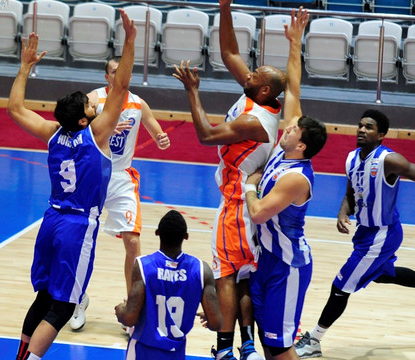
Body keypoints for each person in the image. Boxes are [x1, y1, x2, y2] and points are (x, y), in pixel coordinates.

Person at [7, 11, 136, 360]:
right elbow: (121, 87)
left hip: (50, 221)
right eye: (90, 105)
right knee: (63, 307)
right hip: (78, 226)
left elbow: (15, 108)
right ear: (82, 119)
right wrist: (130, 41)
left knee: (45, 297)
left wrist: (24, 67)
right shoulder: (96, 134)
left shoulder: (52, 133)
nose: (96, 104)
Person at [294, 109, 415, 359]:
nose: (362, 130)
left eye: (369, 127)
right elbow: (352, 193)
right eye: (360, 125)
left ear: (381, 134)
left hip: (382, 235)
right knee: (384, 275)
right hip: (365, 233)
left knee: (340, 287)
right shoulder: (351, 158)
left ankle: (314, 342)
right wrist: (343, 213)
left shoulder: (389, 160)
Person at [173, 1, 286, 358]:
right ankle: (248, 345)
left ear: (264, 90)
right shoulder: (261, 96)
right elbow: (228, 51)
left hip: (237, 200)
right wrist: (225, 8)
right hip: (241, 198)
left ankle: (225, 348)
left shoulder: (255, 121)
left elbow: (206, 135)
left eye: (255, 76)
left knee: (225, 273)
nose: (248, 75)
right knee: (242, 275)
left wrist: (192, 91)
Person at [243, 8, 327, 360]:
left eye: (292, 129)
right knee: (268, 340)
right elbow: (294, 86)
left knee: (280, 348)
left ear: (302, 144)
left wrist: (249, 183)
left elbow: (260, 213)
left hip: (288, 266)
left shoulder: (295, 177)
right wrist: (295, 42)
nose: (285, 126)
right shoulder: (285, 149)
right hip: (268, 259)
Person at [69, 56, 172, 332]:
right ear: (107, 77)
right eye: (114, 71)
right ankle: (77, 299)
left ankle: (131, 307)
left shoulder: (139, 104)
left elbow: (157, 132)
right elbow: (76, 129)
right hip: (92, 175)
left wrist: (162, 138)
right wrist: (105, 128)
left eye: (123, 71)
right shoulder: (94, 100)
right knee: (80, 241)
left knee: (133, 242)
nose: (119, 75)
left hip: (122, 177)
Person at [114, 210, 223, 359]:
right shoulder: (201, 270)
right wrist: (209, 317)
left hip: (143, 351)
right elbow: (216, 323)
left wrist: (121, 310)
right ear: (186, 236)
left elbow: (129, 318)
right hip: (175, 353)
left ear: (157, 233)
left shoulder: (144, 266)